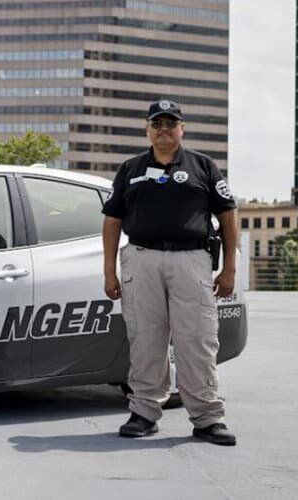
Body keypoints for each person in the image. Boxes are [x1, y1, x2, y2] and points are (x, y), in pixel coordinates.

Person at [100, 99, 238, 446]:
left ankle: (207, 418)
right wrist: (109, 272)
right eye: (157, 124)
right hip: (141, 258)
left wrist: (230, 269)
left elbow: (228, 215)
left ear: (182, 129)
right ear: (147, 130)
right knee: (146, 339)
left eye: (170, 124)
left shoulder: (203, 167)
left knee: (198, 340)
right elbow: (112, 220)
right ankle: (144, 413)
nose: (164, 130)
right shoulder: (130, 169)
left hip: (191, 261)